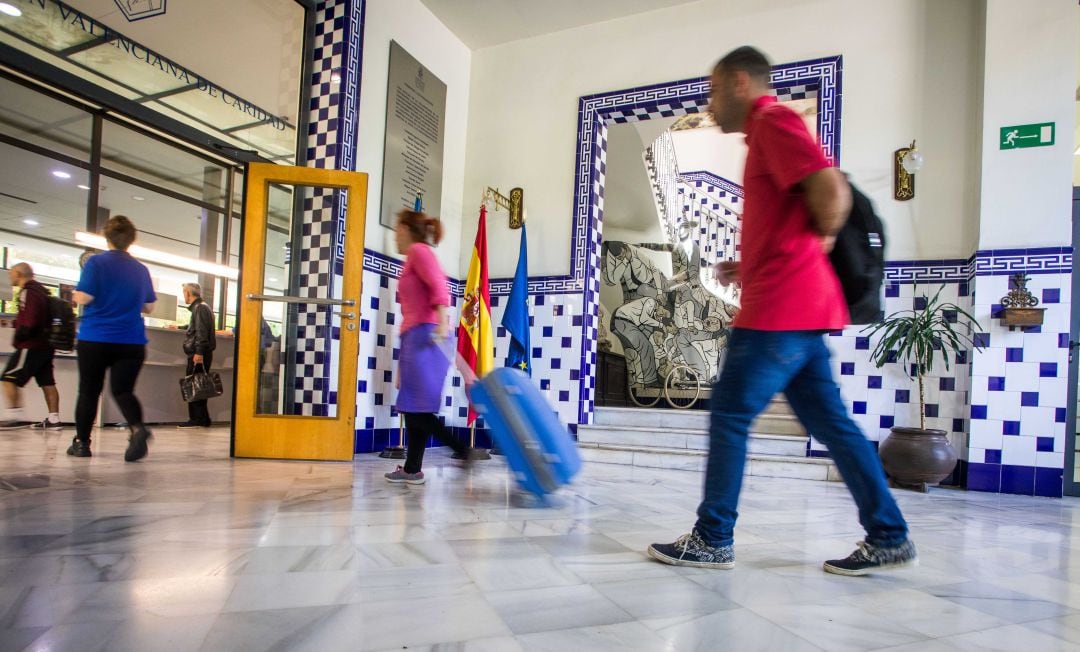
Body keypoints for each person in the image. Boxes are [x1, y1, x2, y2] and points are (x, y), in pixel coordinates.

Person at [648, 47, 916, 577]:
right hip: (798, 307)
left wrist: (816, 246)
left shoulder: (774, 120)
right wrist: (750, 264)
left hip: (781, 311)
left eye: (714, 88)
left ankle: (712, 536)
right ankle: (888, 535)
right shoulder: (765, 136)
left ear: (739, 82)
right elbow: (794, 220)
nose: (709, 101)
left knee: (728, 415)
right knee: (834, 426)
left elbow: (830, 188)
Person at [384, 209, 471, 485]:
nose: (395, 235)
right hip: (416, 337)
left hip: (428, 336)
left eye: (397, 229)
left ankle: (462, 450)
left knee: (418, 409)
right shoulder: (411, 259)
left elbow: (438, 286)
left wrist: (443, 323)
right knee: (415, 406)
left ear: (408, 229)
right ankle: (412, 469)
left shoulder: (420, 252)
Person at [69, 215, 157, 462]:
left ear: (107, 238)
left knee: (88, 391)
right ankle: (138, 429)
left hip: (96, 337)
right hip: (131, 340)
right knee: (123, 390)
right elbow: (149, 307)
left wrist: (75, 295)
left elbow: (84, 297)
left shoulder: (96, 263)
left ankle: (82, 443)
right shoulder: (141, 269)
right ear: (131, 240)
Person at [0, 263, 62, 430]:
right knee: (47, 382)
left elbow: (31, 319)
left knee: (8, 378)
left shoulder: (28, 292)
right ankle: (54, 419)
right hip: (46, 346)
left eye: (11, 274)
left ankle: (14, 417)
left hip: (31, 345)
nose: (10, 277)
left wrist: (20, 336)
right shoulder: (43, 292)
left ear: (19, 274)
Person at [178, 282, 216, 429]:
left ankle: (197, 419)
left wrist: (199, 352)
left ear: (188, 293)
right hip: (202, 352)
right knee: (200, 385)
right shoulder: (203, 307)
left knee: (194, 385)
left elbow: (201, 332)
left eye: (184, 293)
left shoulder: (199, 308)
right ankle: (203, 418)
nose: (184, 296)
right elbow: (198, 327)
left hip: (198, 353)